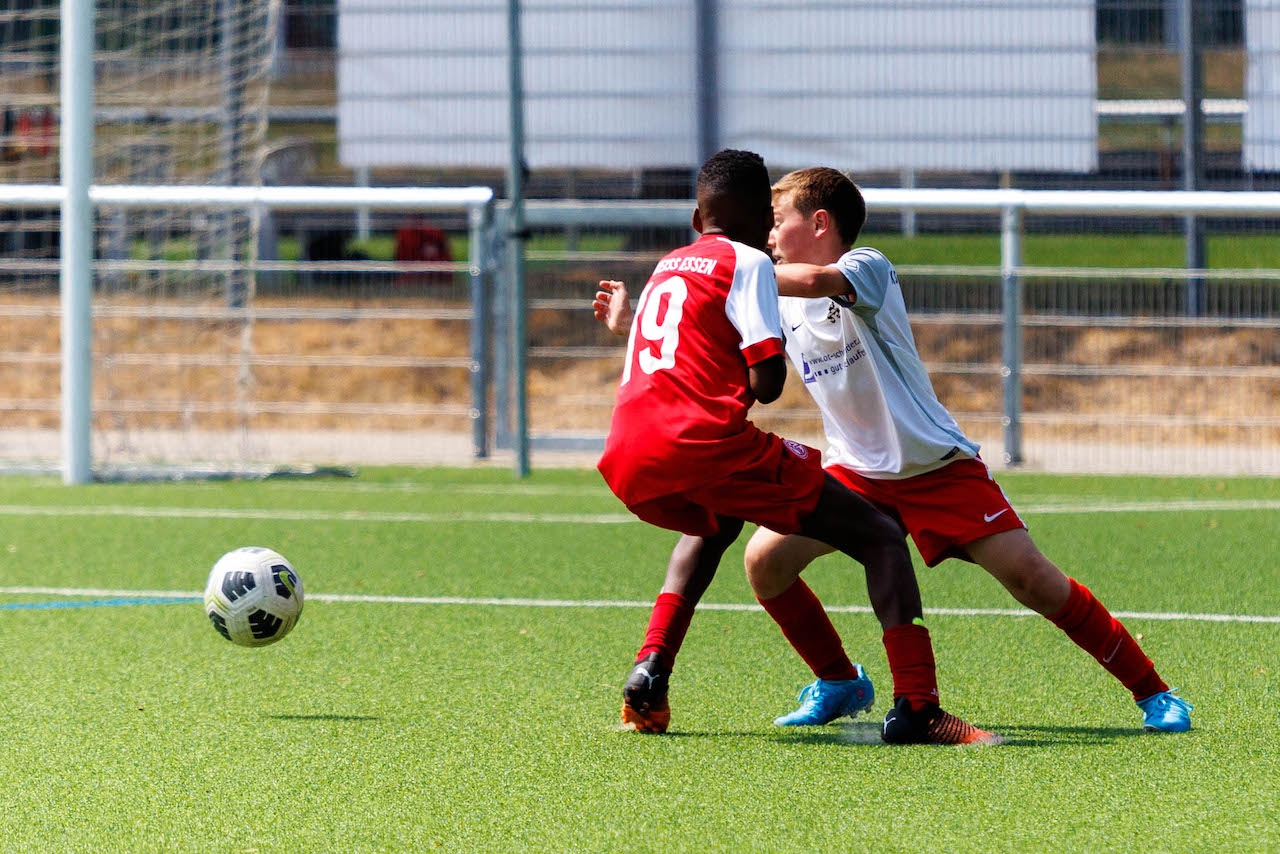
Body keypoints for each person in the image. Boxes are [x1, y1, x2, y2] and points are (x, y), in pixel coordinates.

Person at [752, 166, 1191, 734]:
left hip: (935, 467)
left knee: (1033, 580)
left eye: (776, 220)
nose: (767, 234)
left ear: (819, 222)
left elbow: (815, 281)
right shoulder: (778, 298)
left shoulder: (866, 266)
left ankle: (1155, 692)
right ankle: (839, 681)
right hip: (855, 474)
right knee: (766, 562)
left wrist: (737, 272)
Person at [595, 149, 998, 745]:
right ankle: (919, 707)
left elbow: (684, 343)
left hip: (627, 448)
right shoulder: (748, 265)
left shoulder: (667, 265)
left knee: (714, 524)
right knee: (881, 537)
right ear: (763, 220)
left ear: (697, 218)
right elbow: (767, 383)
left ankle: (652, 666)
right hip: (705, 441)